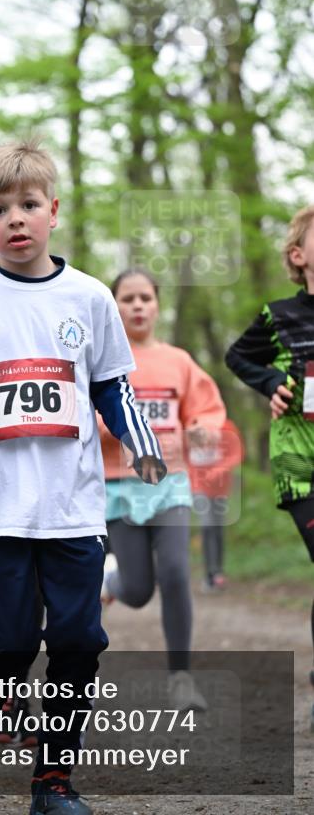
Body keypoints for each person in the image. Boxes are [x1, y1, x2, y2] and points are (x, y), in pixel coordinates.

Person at [0, 140, 165, 815]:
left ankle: (52, 782)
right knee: (10, 641)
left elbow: (112, 387)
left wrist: (141, 447)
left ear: (52, 212)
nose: (15, 219)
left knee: (79, 640)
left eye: (28, 205)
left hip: (71, 505)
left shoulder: (89, 297)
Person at [98, 268, 227, 712]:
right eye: (127, 298)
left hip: (170, 482)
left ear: (156, 305)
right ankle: (111, 583)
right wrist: (117, 426)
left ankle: (181, 679)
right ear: (114, 306)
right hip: (118, 485)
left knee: (174, 572)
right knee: (137, 591)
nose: (137, 306)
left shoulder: (179, 361)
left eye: (145, 298)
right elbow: (86, 415)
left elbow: (206, 408)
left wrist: (202, 428)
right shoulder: (104, 362)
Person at [225, 204, 314, 728]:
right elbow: (237, 356)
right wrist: (271, 383)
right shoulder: (278, 315)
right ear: (298, 256)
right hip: (299, 463)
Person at [189, 418, 243, 591]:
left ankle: (218, 572)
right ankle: (210, 575)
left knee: (218, 528)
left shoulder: (227, 426)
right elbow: (182, 453)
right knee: (207, 526)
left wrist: (219, 469)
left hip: (220, 486)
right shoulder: (189, 424)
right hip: (198, 485)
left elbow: (236, 454)